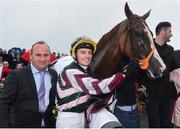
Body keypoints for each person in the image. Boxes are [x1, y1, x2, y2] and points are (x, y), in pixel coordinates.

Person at [55, 36, 138, 128]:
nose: (87, 56)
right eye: (83, 52)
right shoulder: (71, 71)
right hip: (69, 119)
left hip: (79, 117)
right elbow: (98, 87)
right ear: (75, 54)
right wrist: (123, 75)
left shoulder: (82, 70)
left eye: (90, 53)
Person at [0, 41, 57, 127]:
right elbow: (4, 103)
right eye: (38, 55)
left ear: (50, 56)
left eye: (46, 55)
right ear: (31, 56)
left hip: (49, 125)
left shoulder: (53, 74)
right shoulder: (16, 75)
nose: (42, 59)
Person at [138, 22, 179, 127]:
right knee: (154, 125)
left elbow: (173, 67)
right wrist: (142, 88)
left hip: (167, 96)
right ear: (163, 32)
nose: (171, 34)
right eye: (170, 31)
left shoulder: (170, 49)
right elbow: (140, 72)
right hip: (152, 97)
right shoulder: (148, 49)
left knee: (166, 125)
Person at [113, 58, 140, 128]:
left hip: (133, 108)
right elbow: (121, 77)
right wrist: (130, 68)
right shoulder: (114, 63)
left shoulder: (131, 61)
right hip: (121, 110)